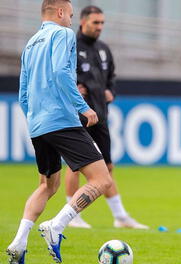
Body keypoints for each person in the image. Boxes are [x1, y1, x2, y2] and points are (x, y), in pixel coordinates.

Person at [6, 1, 112, 263]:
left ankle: (18, 242)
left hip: (38, 124)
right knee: (102, 180)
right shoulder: (62, 34)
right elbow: (61, 71)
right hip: (62, 120)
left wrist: (35, 119)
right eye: (71, 16)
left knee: (46, 185)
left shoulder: (30, 45)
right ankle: (57, 225)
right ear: (61, 12)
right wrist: (83, 107)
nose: (71, 22)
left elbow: (23, 93)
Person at [64, 5, 148, 230]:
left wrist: (111, 90)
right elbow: (62, 75)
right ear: (83, 22)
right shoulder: (71, 46)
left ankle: (120, 216)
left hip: (100, 116)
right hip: (79, 116)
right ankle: (72, 216)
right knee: (75, 167)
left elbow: (111, 76)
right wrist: (74, 88)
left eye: (102, 23)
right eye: (95, 23)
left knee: (107, 167)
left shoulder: (103, 49)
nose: (99, 27)